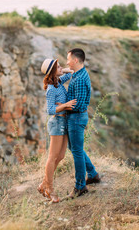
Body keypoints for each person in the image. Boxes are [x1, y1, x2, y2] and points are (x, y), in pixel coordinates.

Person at [38, 58, 76, 203]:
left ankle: (43, 184)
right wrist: (65, 105)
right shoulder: (51, 88)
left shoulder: (58, 82)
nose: (62, 68)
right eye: (58, 67)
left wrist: (60, 70)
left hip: (64, 121)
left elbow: (72, 72)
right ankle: (49, 189)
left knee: (60, 156)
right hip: (57, 122)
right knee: (52, 157)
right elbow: (50, 110)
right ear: (53, 72)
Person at [66, 48, 101, 199]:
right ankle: (92, 174)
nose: (67, 62)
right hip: (76, 118)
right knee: (76, 149)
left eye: (68, 59)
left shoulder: (80, 79)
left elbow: (79, 105)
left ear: (75, 60)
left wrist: (63, 105)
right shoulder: (78, 73)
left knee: (77, 152)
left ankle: (80, 186)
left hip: (76, 118)